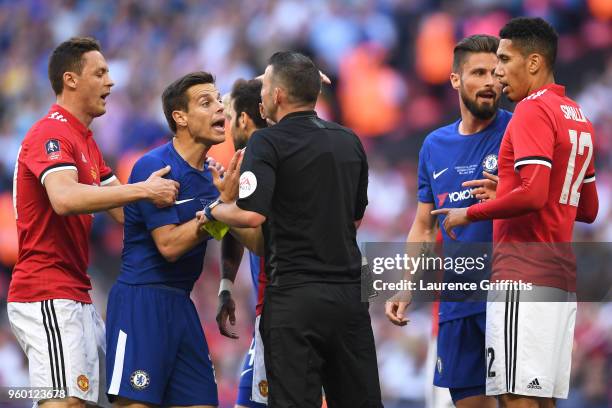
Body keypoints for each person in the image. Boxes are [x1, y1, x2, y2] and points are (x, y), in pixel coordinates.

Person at [197, 51, 382, 407]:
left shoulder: (266, 143)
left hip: (294, 298)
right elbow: (355, 218)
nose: (262, 92)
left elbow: (250, 217)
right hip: (348, 297)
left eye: (266, 85)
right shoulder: (349, 140)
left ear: (278, 95)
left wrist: (216, 209)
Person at [433, 17, 598, 407]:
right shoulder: (577, 114)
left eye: (505, 59)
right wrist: (508, 191)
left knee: (514, 396)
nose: (499, 72)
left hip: (520, 276)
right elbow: (586, 208)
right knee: (541, 399)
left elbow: (534, 195)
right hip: (559, 278)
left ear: (535, 62)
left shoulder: (531, 110)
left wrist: (470, 214)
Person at [7, 37, 178, 408]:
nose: (110, 82)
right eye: (100, 73)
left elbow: (123, 212)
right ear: (70, 80)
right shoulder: (50, 132)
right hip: (45, 291)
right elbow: (65, 198)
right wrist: (143, 190)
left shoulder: (84, 141)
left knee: (99, 401)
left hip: (76, 292)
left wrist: (203, 209)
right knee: (66, 401)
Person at [104, 71, 242, 407]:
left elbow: (225, 228)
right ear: (179, 117)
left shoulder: (213, 179)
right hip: (141, 302)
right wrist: (216, 211)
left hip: (182, 304)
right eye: (205, 103)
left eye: (219, 102)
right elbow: (169, 246)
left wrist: (226, 283)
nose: (219, 111)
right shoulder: (154, 168)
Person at [386, 34, 508, 408]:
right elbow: (424, 226)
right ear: (455, 79)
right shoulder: (434, 146)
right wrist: (406, 286)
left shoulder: (517, 132)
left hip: (508, 298)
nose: (490, 81)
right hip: (456, 304)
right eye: (479, 72)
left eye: (496, 72)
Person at [216, 78, 269, 408]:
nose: (222, 120)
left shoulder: (260, 162)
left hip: (284, 308)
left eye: (228, 114)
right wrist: (226, 283)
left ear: (245, 120)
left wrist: (218, 209)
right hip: (276, 312)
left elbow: (260, 239)